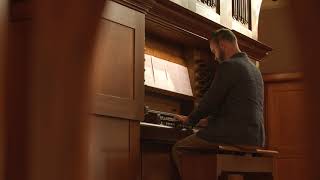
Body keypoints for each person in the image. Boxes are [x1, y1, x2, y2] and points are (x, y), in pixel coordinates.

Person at [172, 28, 265, 174]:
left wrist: (190, 120)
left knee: (180, 148)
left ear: (222, 45)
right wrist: (208, 121)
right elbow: (238, 106)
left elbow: (210, 101)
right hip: (255, 136)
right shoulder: (254, 69)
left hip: (233, 135)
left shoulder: (229, 66)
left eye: (213, 51)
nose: (215, 57)